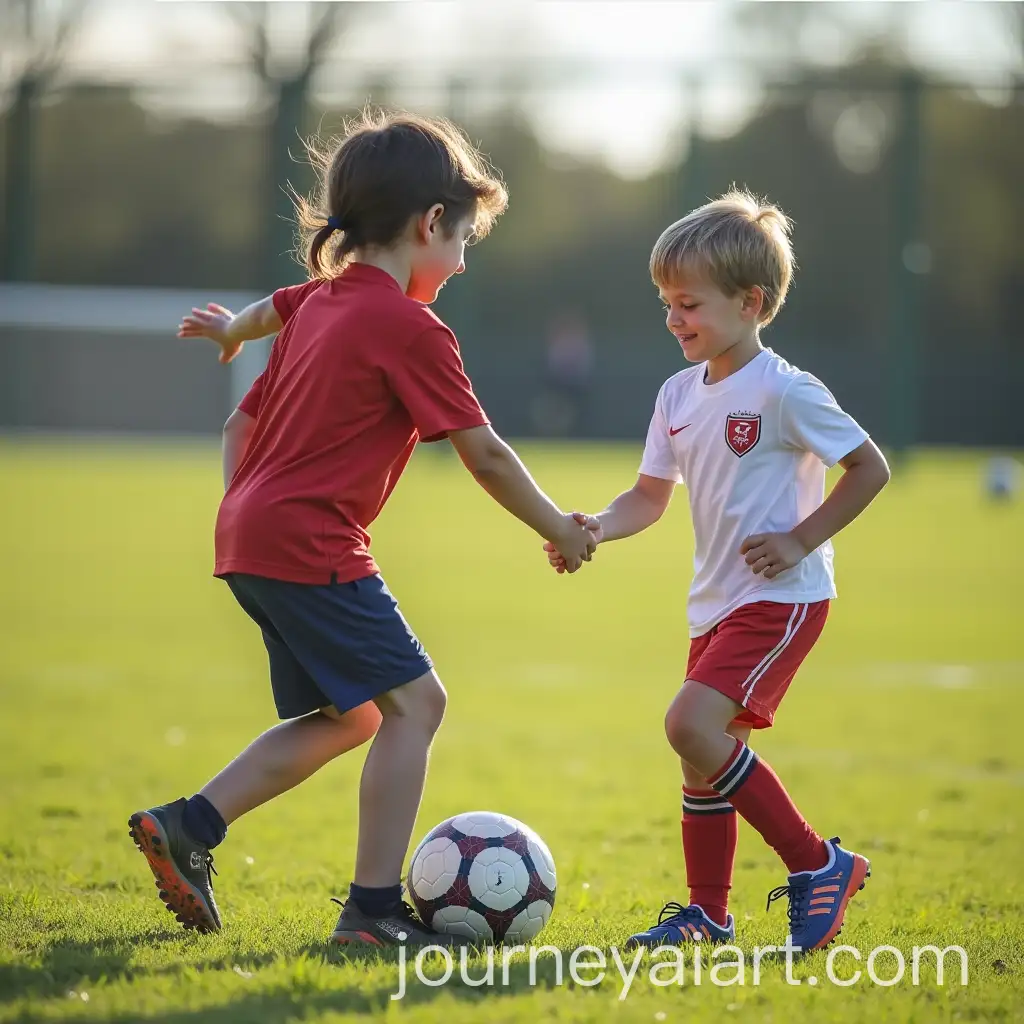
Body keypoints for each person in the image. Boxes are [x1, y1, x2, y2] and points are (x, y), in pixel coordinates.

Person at [128, 110, 597, 949]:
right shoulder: (411, 328)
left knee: (355, 716)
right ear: (430, 223)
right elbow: (485, 455)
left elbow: (242, 415)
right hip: (309, 546)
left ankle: (190, 826)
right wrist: (560, 527)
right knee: (418, 705)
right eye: (463, 241)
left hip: (246, 541)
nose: (461, 262)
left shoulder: (317, 306)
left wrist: (233, 340)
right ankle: (373, 912)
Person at [545, 190, 890, 954]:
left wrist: (800, 539)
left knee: (689, 726)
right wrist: (597, 525)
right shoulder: (676, 394)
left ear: (750, 302)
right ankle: (708, 914)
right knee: (700, 756)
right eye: (666, 303)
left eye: (690, 304)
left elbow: (870, 467)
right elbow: (648, 497)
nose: (674, 319)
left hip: (782, 596)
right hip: (716, 603)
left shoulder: (785, 390)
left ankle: (818, 863)